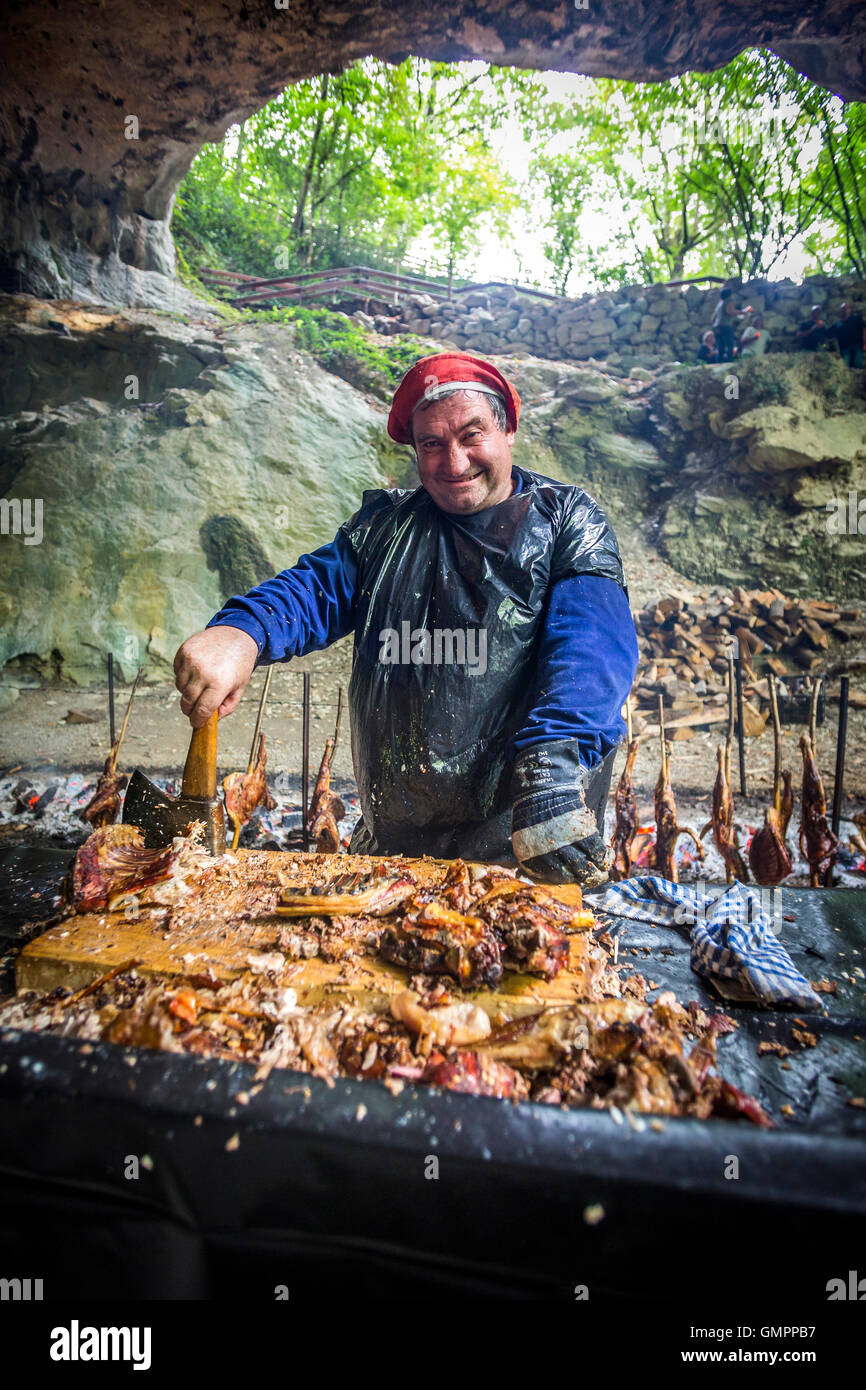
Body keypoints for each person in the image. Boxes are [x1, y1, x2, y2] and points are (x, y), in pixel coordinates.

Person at [173, 352, 639, 886]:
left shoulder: (566, 522)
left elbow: (593, 644)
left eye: (472, 435)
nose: (455, 462)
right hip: (394, 849)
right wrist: (243, 631)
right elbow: (313, 590)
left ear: (507, 429)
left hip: (526, 841)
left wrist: (554, 764)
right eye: (431, 444)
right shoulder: (384, 528)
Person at [711, 286, 750, 362]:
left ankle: (719, 362)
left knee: (720, 346)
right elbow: (730, 311)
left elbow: (713, 318)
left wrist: (715, 326)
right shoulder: (729, 300)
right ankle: (729, 361)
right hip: (725, 325)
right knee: (729, 344)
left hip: (717, 326)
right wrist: (742, 312)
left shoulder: (720, 303)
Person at [826, 301, 865, 368]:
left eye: (846, 308)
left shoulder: (856, 318)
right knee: (846, 367)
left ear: (850, 309)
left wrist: (864, 342)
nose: (844, 310)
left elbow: (864, 328)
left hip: (857, 347)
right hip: (844, 349)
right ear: (840, 311)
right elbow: (827, 335)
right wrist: (830, 350)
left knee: (858, 366)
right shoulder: (837, 324)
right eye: (843, 308)